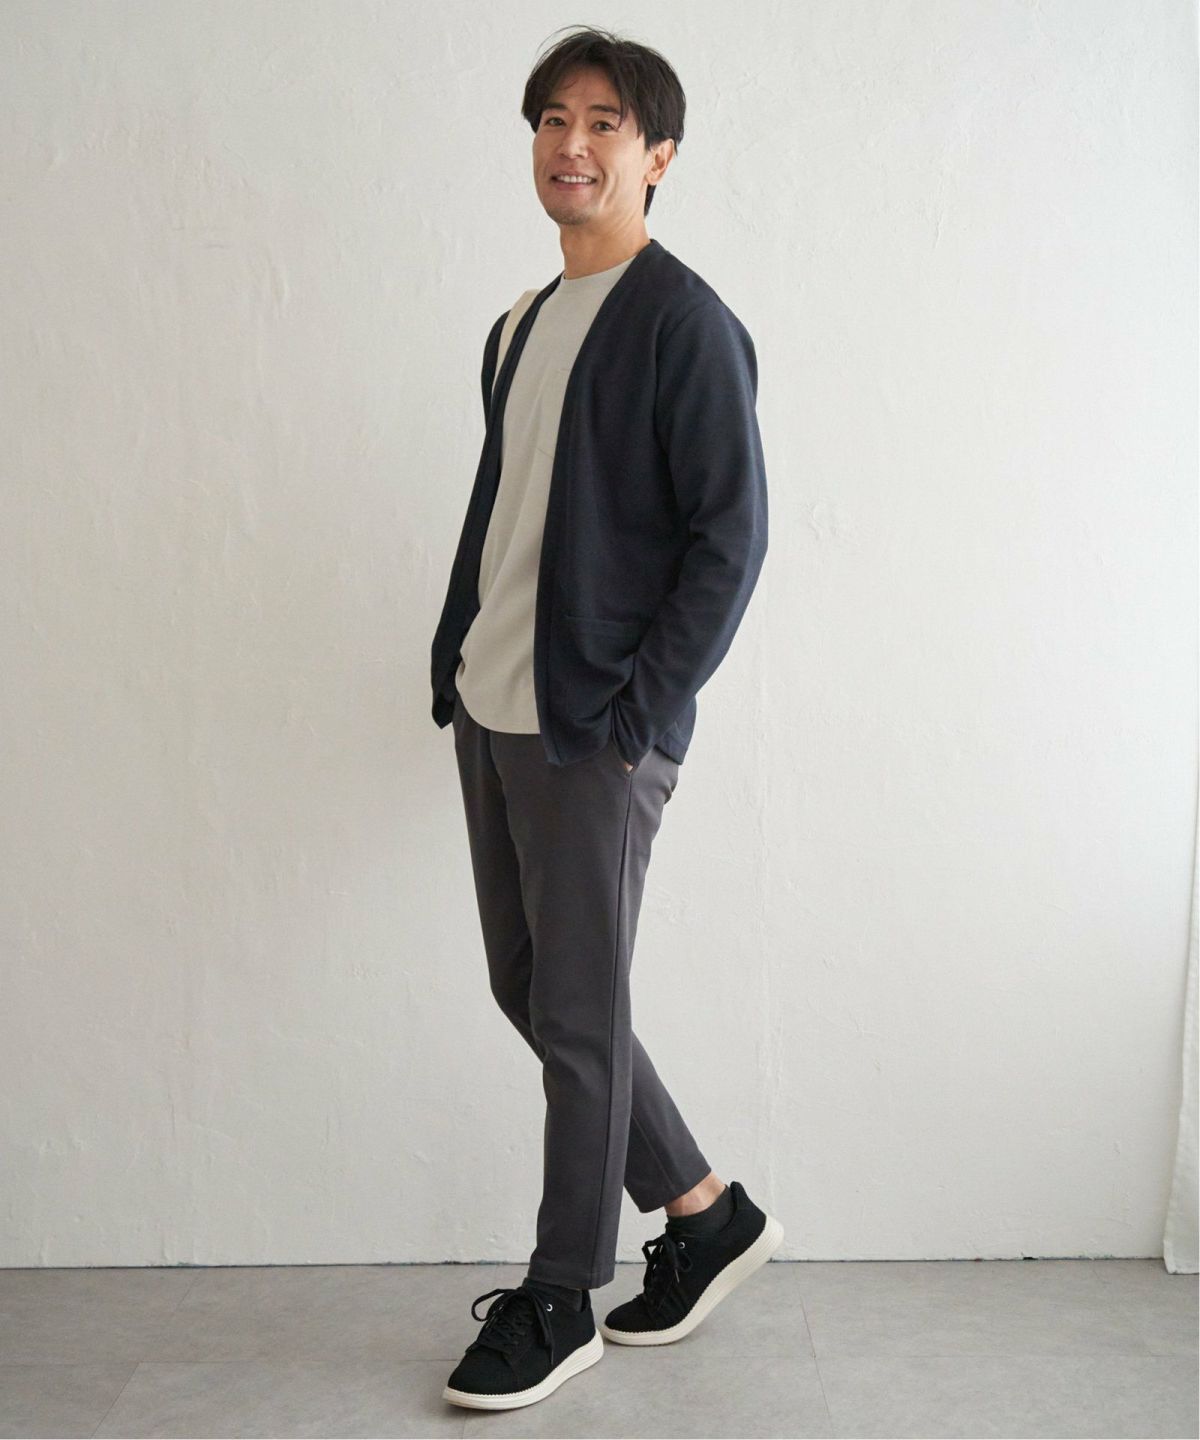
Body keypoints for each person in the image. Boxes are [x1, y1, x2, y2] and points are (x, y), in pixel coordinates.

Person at [429, 24, 780, 1412]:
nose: (571, 146)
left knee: (580, 1012)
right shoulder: (521, 323)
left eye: (604, 125)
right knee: (534, 988)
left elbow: (730, 540)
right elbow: (509, 514)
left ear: (657, 156)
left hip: (594, 727)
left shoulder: (684, 322)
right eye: (552, 121)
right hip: (496, 705)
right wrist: (458, 654)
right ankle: (703, 1214)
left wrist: (640, 711)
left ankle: (561, 1290)